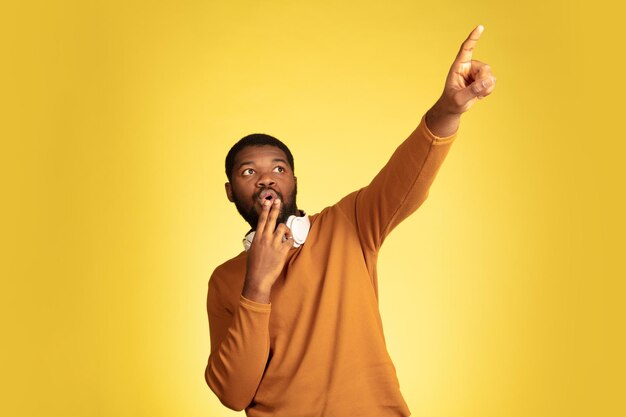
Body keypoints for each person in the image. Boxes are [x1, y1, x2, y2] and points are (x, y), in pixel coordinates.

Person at [205, 25, 496, 417]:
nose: (266, 178)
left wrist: (447, 109)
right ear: (230, 191)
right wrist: (256, 285)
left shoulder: (348, 225)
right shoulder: (226, 280)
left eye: (278, 167)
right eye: (248, 172)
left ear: (293, 181)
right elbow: (234, 394)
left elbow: (406, 178)